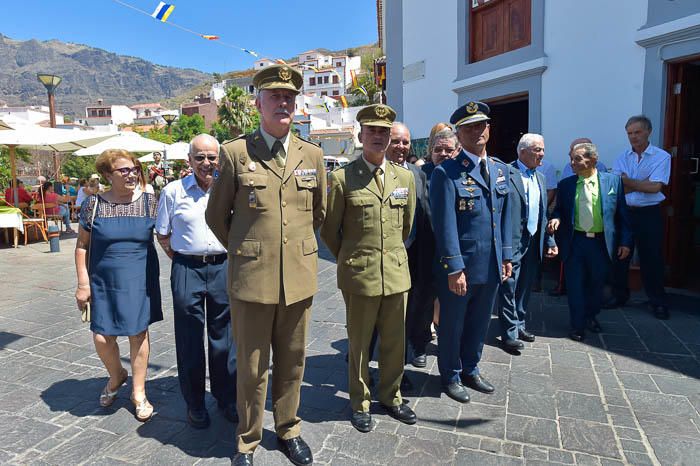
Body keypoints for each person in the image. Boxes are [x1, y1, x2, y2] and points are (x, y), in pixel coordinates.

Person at [206, 64, 325, 466]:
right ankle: (247, 439)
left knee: (293, 363)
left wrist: (291, 251)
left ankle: (289, 429)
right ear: (258, 103)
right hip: (252, 281)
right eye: (275, 96)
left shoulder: (314, 155)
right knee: (252, 369)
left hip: (298, 279)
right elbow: (216, 216)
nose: (283, 102)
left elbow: (318, 215)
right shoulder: (236, 153)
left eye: (289, 96)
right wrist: (247, 251)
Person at [321, 104, 417, 433]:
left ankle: (392, 396)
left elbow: (406, 226)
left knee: (395, 342)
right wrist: (351, 256)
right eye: (372, 131)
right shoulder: (341, 178)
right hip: (359, 275)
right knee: (360, 344)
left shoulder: (405, 177)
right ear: (360, 136)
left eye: (384, 131)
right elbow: (330, 231)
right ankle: (359, 402)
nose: (378, 136)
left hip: (395, 272)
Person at [430, 101, 512, 404]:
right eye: (469, 127)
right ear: (459, 134)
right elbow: (445, 225)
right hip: (461, 268)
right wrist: (454, 268)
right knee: (452, 323)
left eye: (481, 125)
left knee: (479, 322)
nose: (477, 131)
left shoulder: (500, 170)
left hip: (490, 265)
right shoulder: (446, 173)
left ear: (488, 129)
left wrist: (506, 257)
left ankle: (471, 368)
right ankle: (450, 374)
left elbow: (505, 218)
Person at [74, 149, 163, 422]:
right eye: (123, 170)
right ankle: (117, 376)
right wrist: (82, 283)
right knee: (102, 337)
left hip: (139, 280)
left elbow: (168, 233)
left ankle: (138, 392)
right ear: (107, 175)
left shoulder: (150, 202)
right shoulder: (94, 205)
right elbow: (81, 246)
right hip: (102, 282)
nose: (131, 174)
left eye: (134, 168)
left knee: (138, 334)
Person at [156, 134, 237, 429]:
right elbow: (163, 234)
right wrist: (181, 260)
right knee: (189, 339)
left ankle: (226, 398)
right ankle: (195, 403)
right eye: (199, 157)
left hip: (222, 267)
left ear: (220, 160)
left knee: (224, 339)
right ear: (189, 161)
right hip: (187, 268)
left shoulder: (229, 191)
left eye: (212, 157)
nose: (206, 163)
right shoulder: (172, 191)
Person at [547, 143, 632, 341]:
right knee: (575, 285)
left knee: (597, 284)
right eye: (572, 158)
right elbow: (559, 209)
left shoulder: (613, 182)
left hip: (601, 244)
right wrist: (557, 218)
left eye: (577, 159)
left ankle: (590, 316)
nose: (572, 163)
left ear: (593, 160)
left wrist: (625, 242)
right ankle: (577, 325)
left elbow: (622, 215)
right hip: (575, 242)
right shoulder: (566, 185)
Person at [607, 115, 671, 319]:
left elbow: (656, 187)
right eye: (629, 133)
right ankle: (619, 295)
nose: (633, 137)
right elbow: (617, 188)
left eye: (637, 132)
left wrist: (629, 182)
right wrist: (640, 182)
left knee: (651, 258)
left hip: (648, 214)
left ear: (648, 132)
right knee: (620, 256)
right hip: (625, 212)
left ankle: (657, 301)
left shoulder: (661, 157)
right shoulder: (621, 157)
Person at [498, 134, 556, 353]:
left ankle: (520, 323)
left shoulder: (540, 177)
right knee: (508, 287)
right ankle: (509, 333)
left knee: (525, 286)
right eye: (537, 150)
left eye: (542, 149)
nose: (542, 154)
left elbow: (542, 213)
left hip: (533, 240)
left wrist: (548, 239)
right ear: (523, 151)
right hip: (512, 241)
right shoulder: (505, 173)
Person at [386, 122, 433, 375]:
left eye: (405, 142)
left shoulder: (418, 174)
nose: (401, 147)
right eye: (396, 141)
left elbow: (425, 213)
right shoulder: (375, 172)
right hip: (384, 257)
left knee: (414, 305)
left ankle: (411, 351)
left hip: (414, 253)